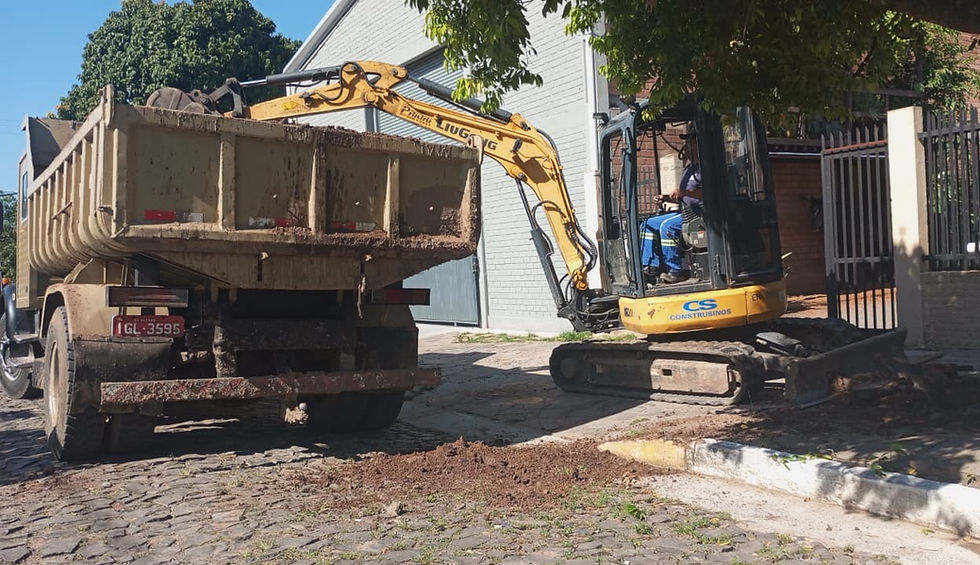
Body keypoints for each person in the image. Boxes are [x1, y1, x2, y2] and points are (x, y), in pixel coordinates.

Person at [641, 132, 703, 284]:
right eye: (686, 142)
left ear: (698, 145)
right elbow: (683, 195)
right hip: (685, 210)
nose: (686, 146)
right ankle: (651, 267)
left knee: (667, 227)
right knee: (647, 224)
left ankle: (676, 271)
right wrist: (666, 197)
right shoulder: (689, 168)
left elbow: (706, 193)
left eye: (690, 142)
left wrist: (682, 192)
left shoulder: (704, 169)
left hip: (698, 214)